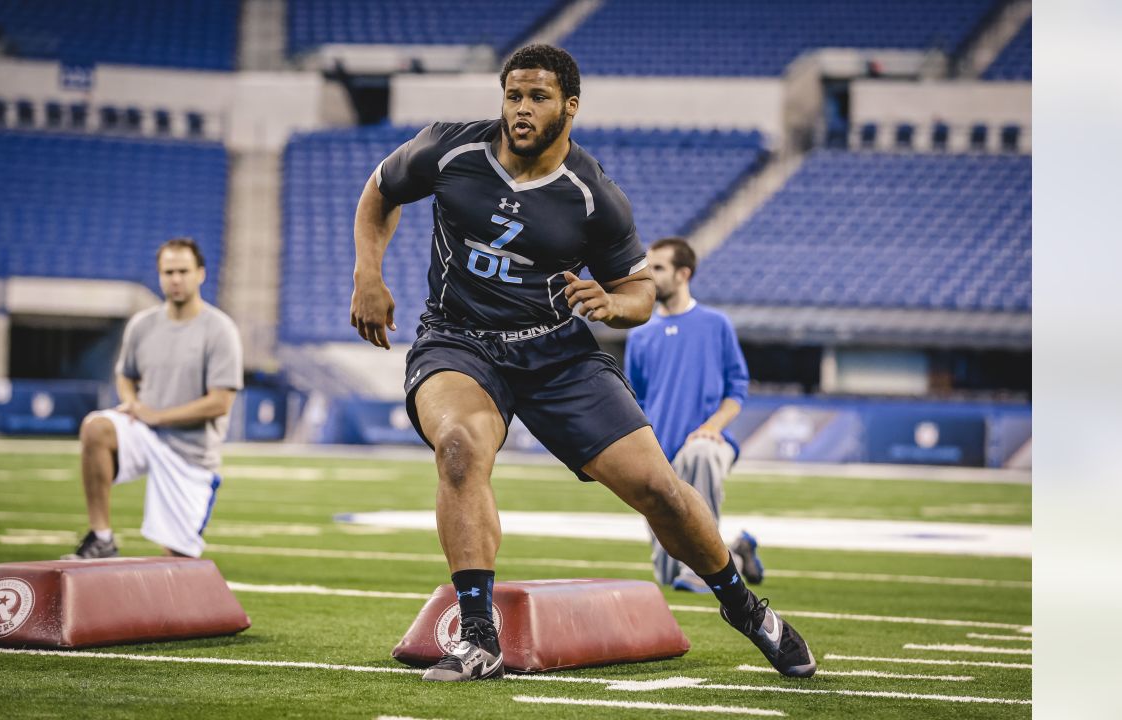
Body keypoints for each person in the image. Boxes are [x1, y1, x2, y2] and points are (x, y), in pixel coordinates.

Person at [349, 44, 815, 681]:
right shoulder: (447, 149)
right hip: (458, 341)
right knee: (458, 447)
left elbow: (641, 292)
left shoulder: (594, 195)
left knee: (661, 493)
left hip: (557, 353)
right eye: (513, 95)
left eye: (537, 97)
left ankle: (747, 611)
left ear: (569, 106)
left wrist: (613, 305)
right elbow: (379, 191)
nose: (521, 108)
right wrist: (367, 274)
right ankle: (479, 635)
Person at [64, 237, 243, 560]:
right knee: (96, 427)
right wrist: (132, 403)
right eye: (168, 271)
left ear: (200, 273)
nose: (175, 279)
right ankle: (101, 537)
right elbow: (125, 374)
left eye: (183, 271)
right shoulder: (142, 325)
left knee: (177, 561)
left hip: (190, 453)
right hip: (145, 434)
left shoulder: (219, 330)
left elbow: (220, 402)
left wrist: (157, 415)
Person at [625, 237, 765, 594]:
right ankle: (735, 548)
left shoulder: (716, 324)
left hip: (710, 442)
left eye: (658, 268)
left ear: (683, 273)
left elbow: (737, 389)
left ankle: (702, 570)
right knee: (666, 574)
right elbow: (635, 399)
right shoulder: (640, 334)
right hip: (661, 450)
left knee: (700, 454)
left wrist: (711, 428)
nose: (650, 276)